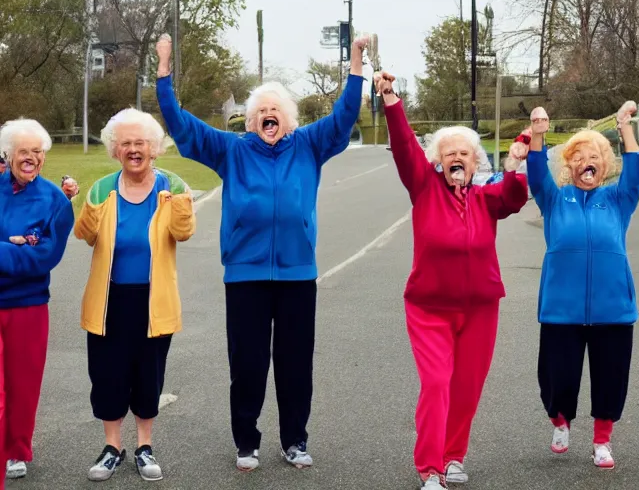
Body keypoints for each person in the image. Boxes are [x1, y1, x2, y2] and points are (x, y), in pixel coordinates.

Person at [154, 32, 368, 471]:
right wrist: (163, 70)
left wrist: (357, 62)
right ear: (250, 122)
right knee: (247, 364)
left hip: (296, 274)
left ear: (288, 120)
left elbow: (344, 114)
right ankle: (246, 441)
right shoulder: (232, 150)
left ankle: (295, 440)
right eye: (261, 112)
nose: (269, 116)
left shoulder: (308, 144)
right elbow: (181, 125)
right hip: (245, 274)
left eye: (276, 111)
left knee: (294, 365)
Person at [376, 72, 529, 489]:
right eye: (449, 153)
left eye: (465, 152)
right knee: (438, 383)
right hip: (429, 306)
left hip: (481, 307)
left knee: (466, 387)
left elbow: (514, 198)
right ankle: (429, 467)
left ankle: (453, 456)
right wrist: (391, 99)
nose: (458, 157)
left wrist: (515, 164)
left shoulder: (485, 198)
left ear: (476, 162)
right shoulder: (423, 187)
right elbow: (406, 147)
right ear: (438, 162)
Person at [73, 108, 196, 482]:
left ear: (154, 148)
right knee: (108, 377)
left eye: (140, 142)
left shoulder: (172, 185)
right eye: (125, 143)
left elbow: (183, 232)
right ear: (115, 150)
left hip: (153, 301)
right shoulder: (102, 188)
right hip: (108, 301)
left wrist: (179, 204)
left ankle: (145, 447)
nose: (133, 149)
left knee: (148, 376)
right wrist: (89, 208)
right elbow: (85, 235)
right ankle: (113, 448)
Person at [523, 103, 639, 470]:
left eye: (595, 157)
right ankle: (560, 422)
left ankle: (602, 441)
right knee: (557, 376)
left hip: (612, 309)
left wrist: (624, 127)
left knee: (610, 377)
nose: (587, 162)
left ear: (604, 165)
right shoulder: (555, 198)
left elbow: (636, 174)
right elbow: (535, 173)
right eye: (579, 157)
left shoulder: (618, 199)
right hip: (563, 309)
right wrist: (538, 133)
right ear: (570, 165)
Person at [0, 119, 76, 482]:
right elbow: (27, 256)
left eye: (37, 152)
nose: (30, 158)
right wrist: (12, 250)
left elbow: (43, 258)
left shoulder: (56, 202)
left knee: (23, 383)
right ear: (8, 154)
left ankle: (16, 451)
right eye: (23, 151)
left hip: (28, 305)